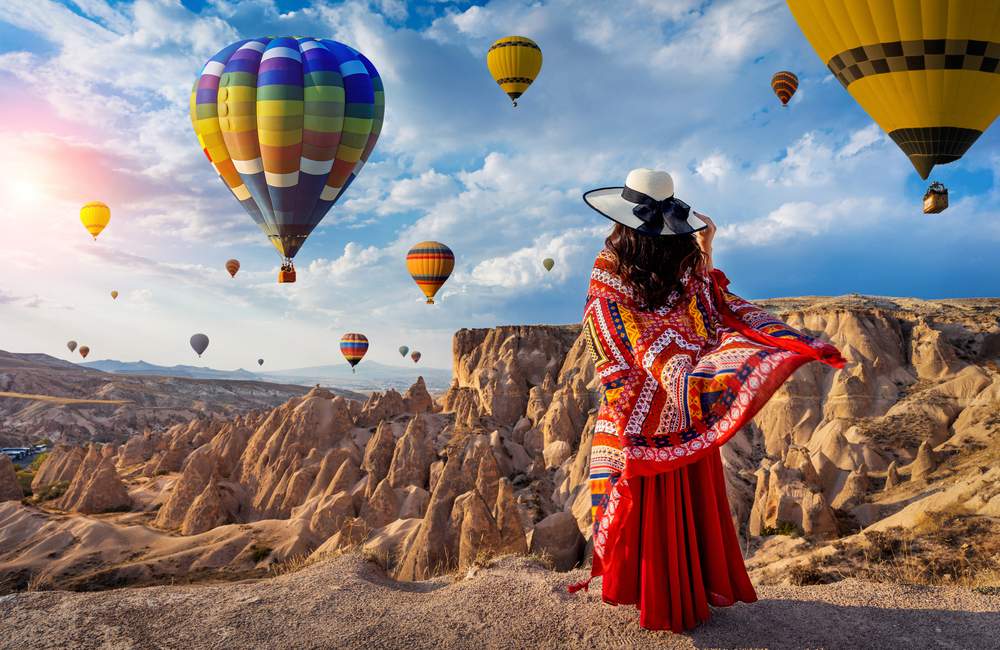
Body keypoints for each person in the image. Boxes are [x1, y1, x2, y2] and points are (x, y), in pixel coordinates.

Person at [570, 169, 846, 632]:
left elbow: (620, 339)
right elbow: (714, 311)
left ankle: (653, 596)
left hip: (637, 411)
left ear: (622, 223)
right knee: (682, 505)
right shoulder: (687, 269)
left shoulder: (608, 275)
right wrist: (692, 379)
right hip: (685, 413)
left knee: (648, 505)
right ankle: (684, 595)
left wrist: (664, 377)